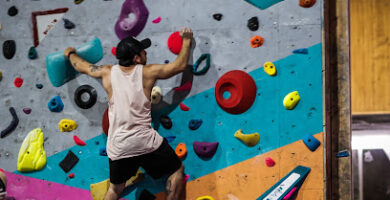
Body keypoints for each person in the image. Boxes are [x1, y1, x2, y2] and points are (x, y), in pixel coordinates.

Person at [64, 28, 193, 200]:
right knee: (176, 171)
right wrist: (186, 40)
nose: (146, 52)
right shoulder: (148, 72)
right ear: (137, 58)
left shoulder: (107, 72)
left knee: (115, 190)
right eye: (143, 51)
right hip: (144, 141)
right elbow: (179, 66)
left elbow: (82, 66)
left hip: (119, 146)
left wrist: (70, 53)